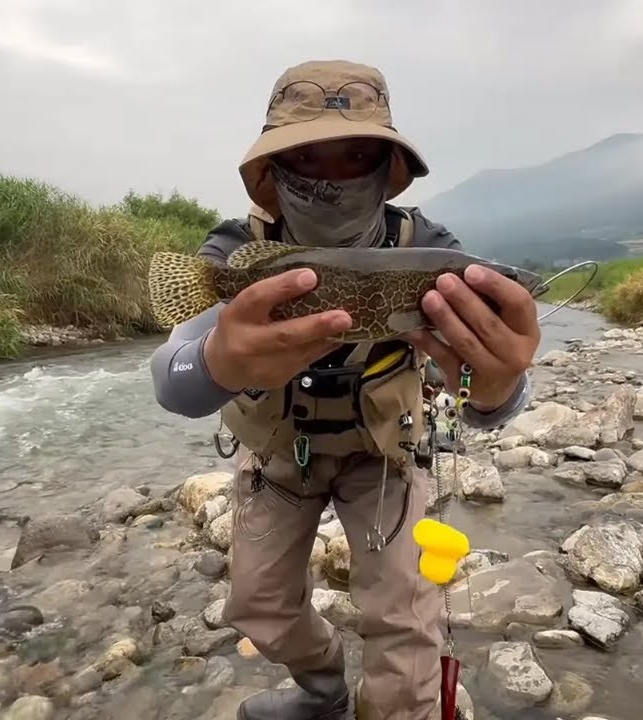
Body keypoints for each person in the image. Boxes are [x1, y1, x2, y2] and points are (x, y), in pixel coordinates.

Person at [149, 59, 540, 720]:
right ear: (273, 171)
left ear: (387, 168)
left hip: (383, 455)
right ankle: (322, 691)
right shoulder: (235, 249)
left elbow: (482, 400)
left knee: (407, 621)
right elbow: (171, 382)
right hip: (278, 453)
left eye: (356, 155)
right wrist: (219, 360)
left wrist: (496, 386)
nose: (331, 177)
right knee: (259, 606)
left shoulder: (432, 251)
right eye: (307, 157)